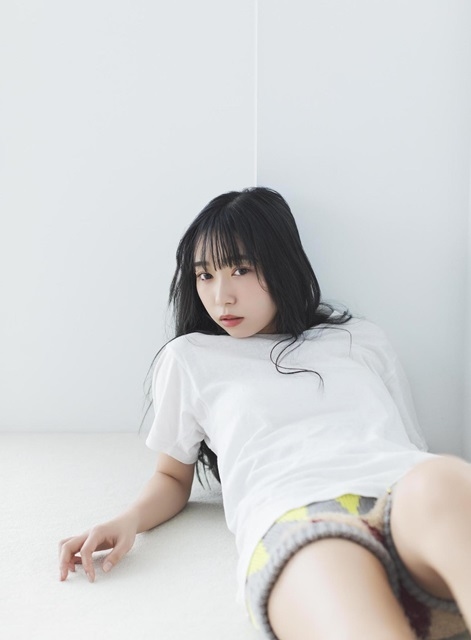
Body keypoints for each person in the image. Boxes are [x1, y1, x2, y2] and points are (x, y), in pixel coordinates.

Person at [59, 187, 471, 640]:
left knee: (442, 478)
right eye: (205, 275)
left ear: (280, 264)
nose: (221, 297)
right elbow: (173, 477)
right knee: (332, 565)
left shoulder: (360, 338)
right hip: (299, 516)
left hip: (403, 498)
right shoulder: (190, 358)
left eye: (241, 269)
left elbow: (409, 445)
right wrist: (128, 521)